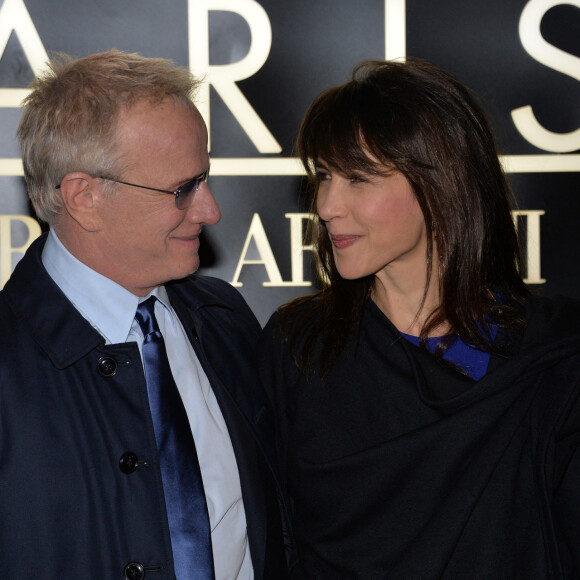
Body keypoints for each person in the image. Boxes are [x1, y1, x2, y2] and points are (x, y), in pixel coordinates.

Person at [258, 59, 580, 578]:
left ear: (441, 183)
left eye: (358, 178)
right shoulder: (300, 348)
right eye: (323, 176)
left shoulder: (555, 355)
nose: (326, 204)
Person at [0, 50, 291, 580]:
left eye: (204, 179)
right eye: (183, 189)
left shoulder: (224, 321)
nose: (210, 211)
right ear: (84, 197)